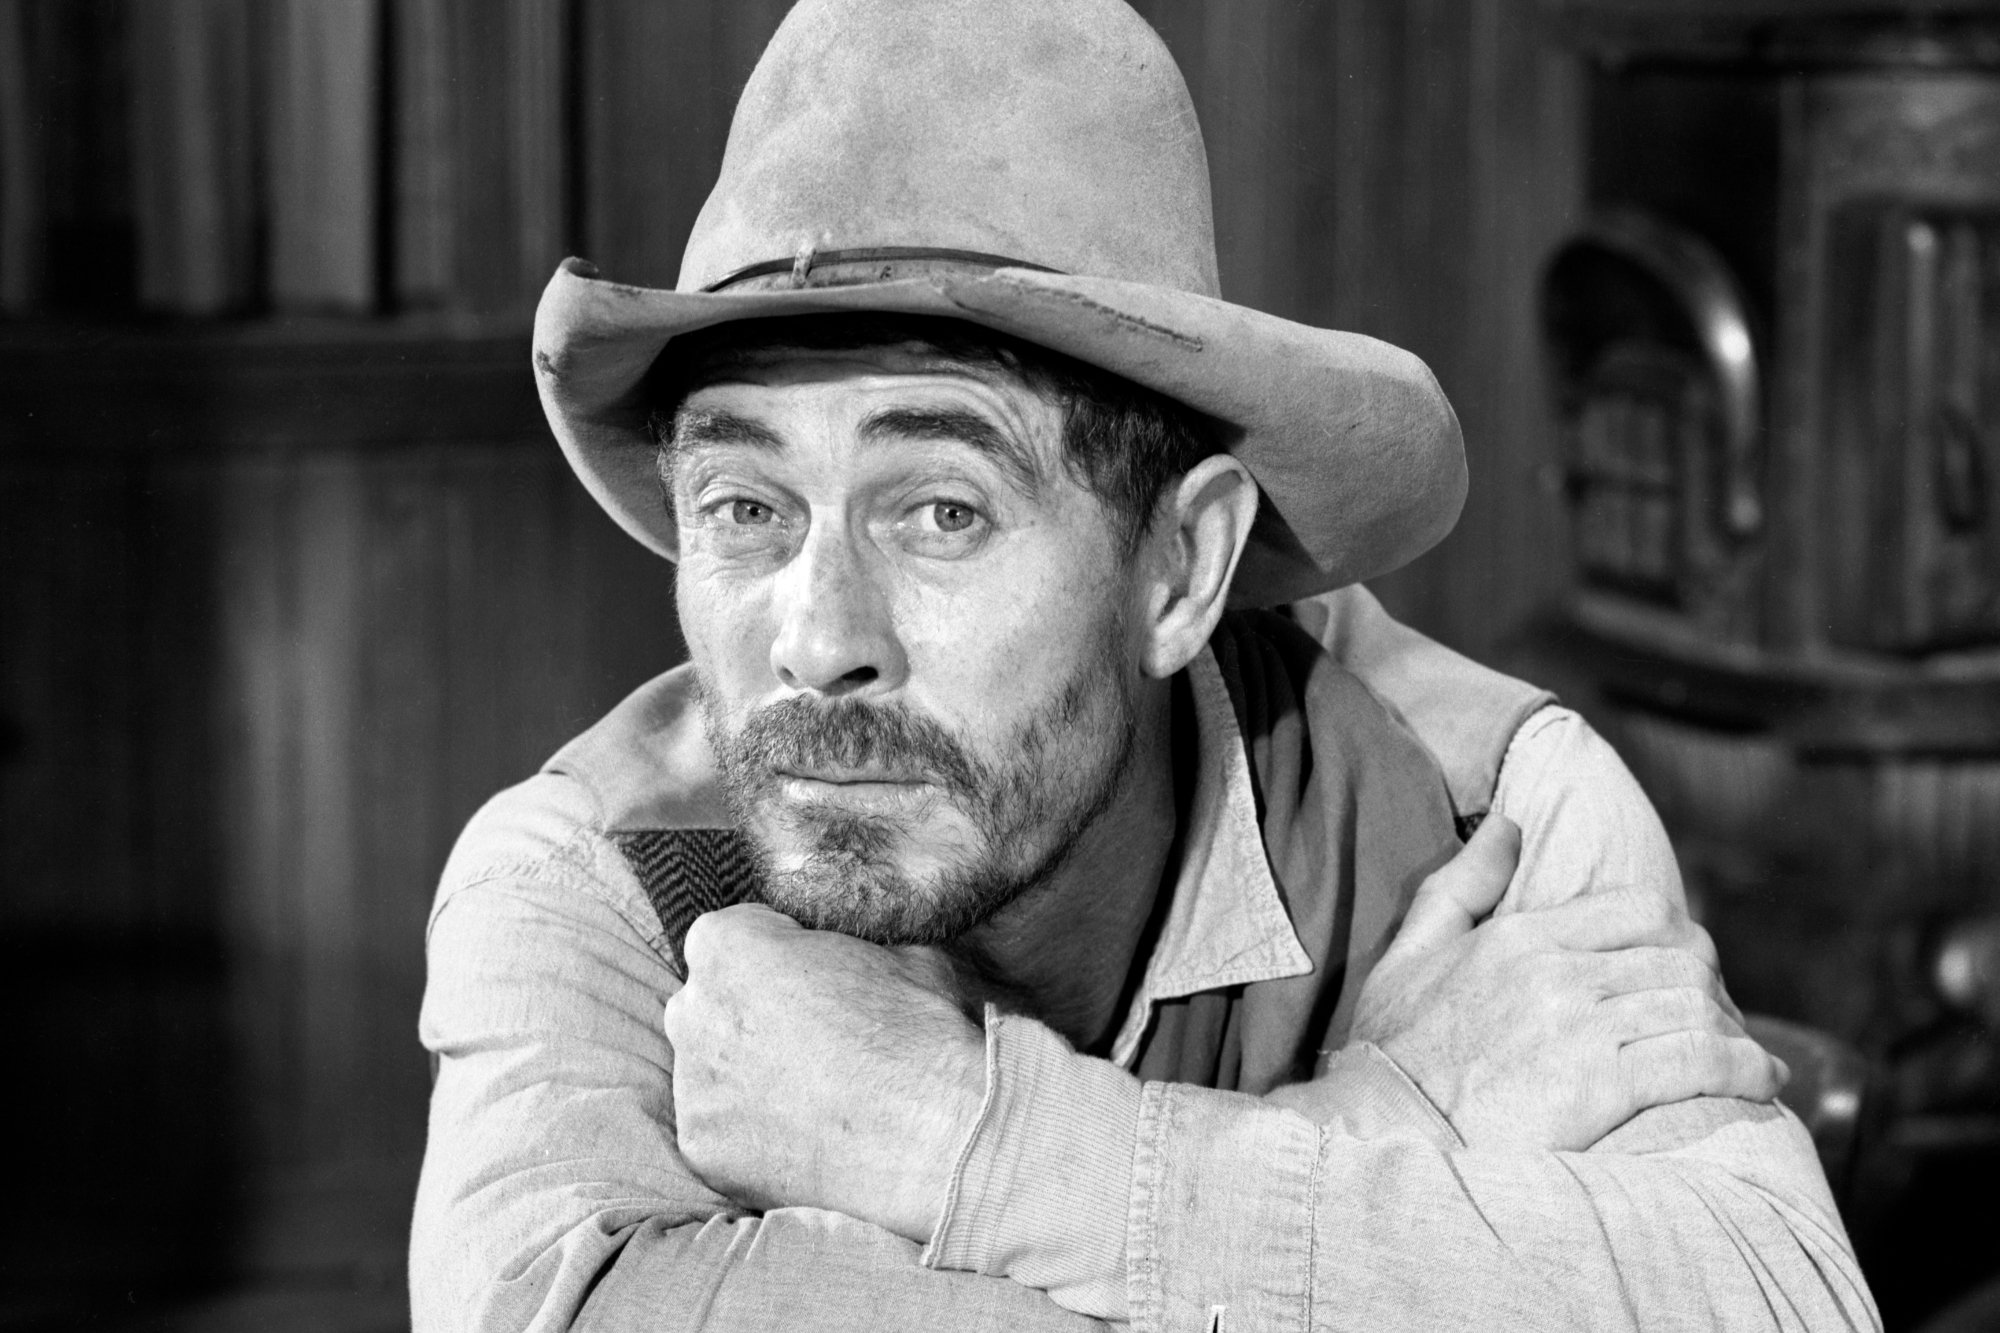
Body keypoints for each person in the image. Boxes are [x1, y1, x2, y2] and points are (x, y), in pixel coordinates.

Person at [411, 1, 1880, 1328]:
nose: (815, 639)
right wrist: (1385, 1119)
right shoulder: (583, 879)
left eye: (940, 511)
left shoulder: (1478, 809)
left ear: (1179, 570)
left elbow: (1784, 1303)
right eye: (747, 510)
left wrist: (962, 1138)